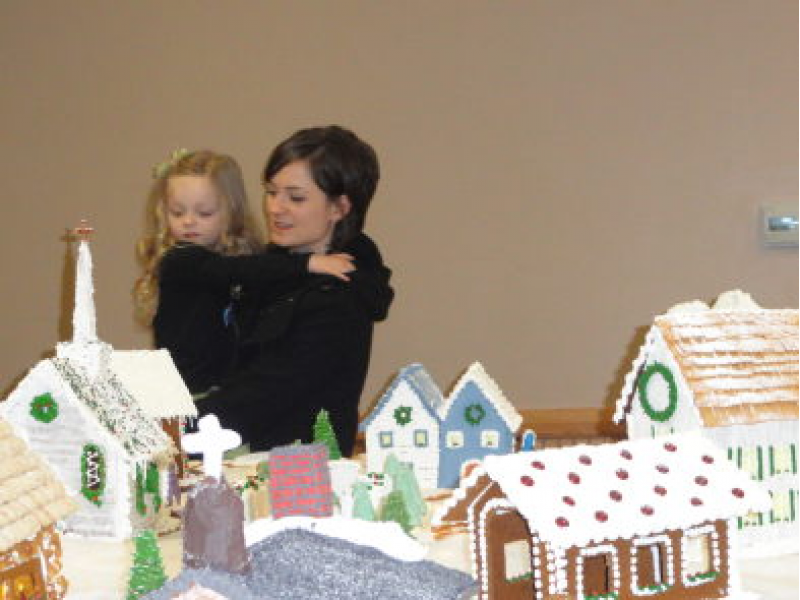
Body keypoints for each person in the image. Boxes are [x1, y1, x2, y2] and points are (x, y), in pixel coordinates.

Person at [197, 126, 394, 456]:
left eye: (295, 197)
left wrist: (173, 428)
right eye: (271, 192)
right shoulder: (269, 272)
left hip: (297, 479)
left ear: (339, 208)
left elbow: (265, 394)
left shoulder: (337, 299)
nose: (275, 208)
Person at [134, 149, 355, 395]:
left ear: (230, 213)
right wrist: (309, 263)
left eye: (204, 213)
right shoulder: (180, 260)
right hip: (185, 391)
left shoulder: (231, 260)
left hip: (215, 385)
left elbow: (253, 271)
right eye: (177, 212)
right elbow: (239, 270)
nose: (188, 221)